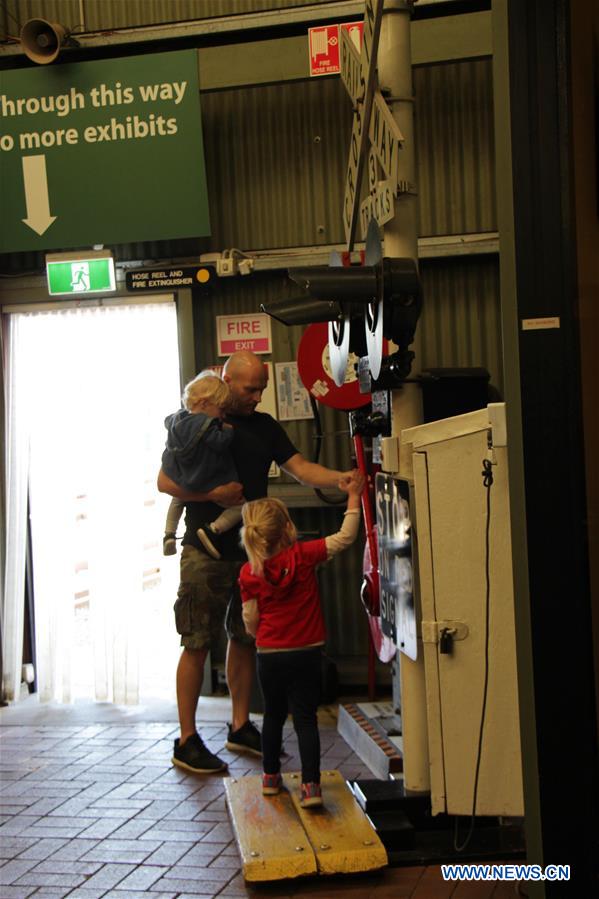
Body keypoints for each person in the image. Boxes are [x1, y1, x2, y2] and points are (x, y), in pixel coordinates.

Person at [157, 350, 355, 775]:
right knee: (195, 642)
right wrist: (213, 497)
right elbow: (164, 482)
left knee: (245, 637)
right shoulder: (194, 422)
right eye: (251, 389)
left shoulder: (264, 427)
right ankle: (187, 739)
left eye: (263, 388)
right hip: (203, 552)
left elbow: (301, 468)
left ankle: (240, 724)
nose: (258, 397)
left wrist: (339, 480)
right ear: (227, 381)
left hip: (250, 553)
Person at [239, 471, 363, 808]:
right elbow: (345, 537)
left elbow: (250, 618)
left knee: (273, 716)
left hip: (269, 653)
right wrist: (353, 496)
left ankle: (269, 777)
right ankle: (310, 787)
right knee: (306, 718)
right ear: (286, 528)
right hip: (307, 652)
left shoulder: (249, 572)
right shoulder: (304, 555)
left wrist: (260, 638)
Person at [162, 371, 242, 560]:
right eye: (221, 410)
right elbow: (219, 442)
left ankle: (169, 534)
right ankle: (214, 530)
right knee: (242, 507)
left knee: (177, 500)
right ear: (205, 403)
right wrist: (228, 431)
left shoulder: (176, 421)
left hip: (183, 479)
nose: (223, 415)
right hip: (206, 479)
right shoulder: (206, 424)